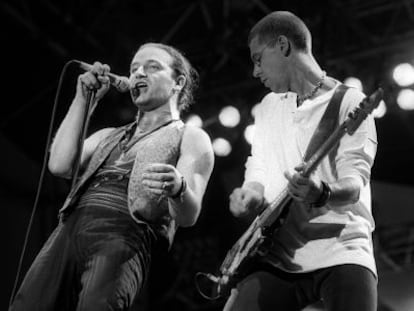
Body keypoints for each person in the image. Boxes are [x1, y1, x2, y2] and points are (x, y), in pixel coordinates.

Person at [10, 42, 214, 311]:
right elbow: (59, 165)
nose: (139, 73)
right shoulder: (108, 135)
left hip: (123, 237)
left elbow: (188, 216)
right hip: (69, 230)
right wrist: (85, 99)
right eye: (134, 68)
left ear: (178, 82)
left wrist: (178, 187)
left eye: (152, 67)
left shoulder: (191, 136)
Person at [224, 11, 378, 311]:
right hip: (278, 254)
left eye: (258, 59)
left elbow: (355, 183)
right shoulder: (268, 107)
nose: (255, 72)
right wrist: (251, 193)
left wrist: (322, 192)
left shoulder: (349, 102)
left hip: (342, 249)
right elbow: (259, 166)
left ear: (282, 45)